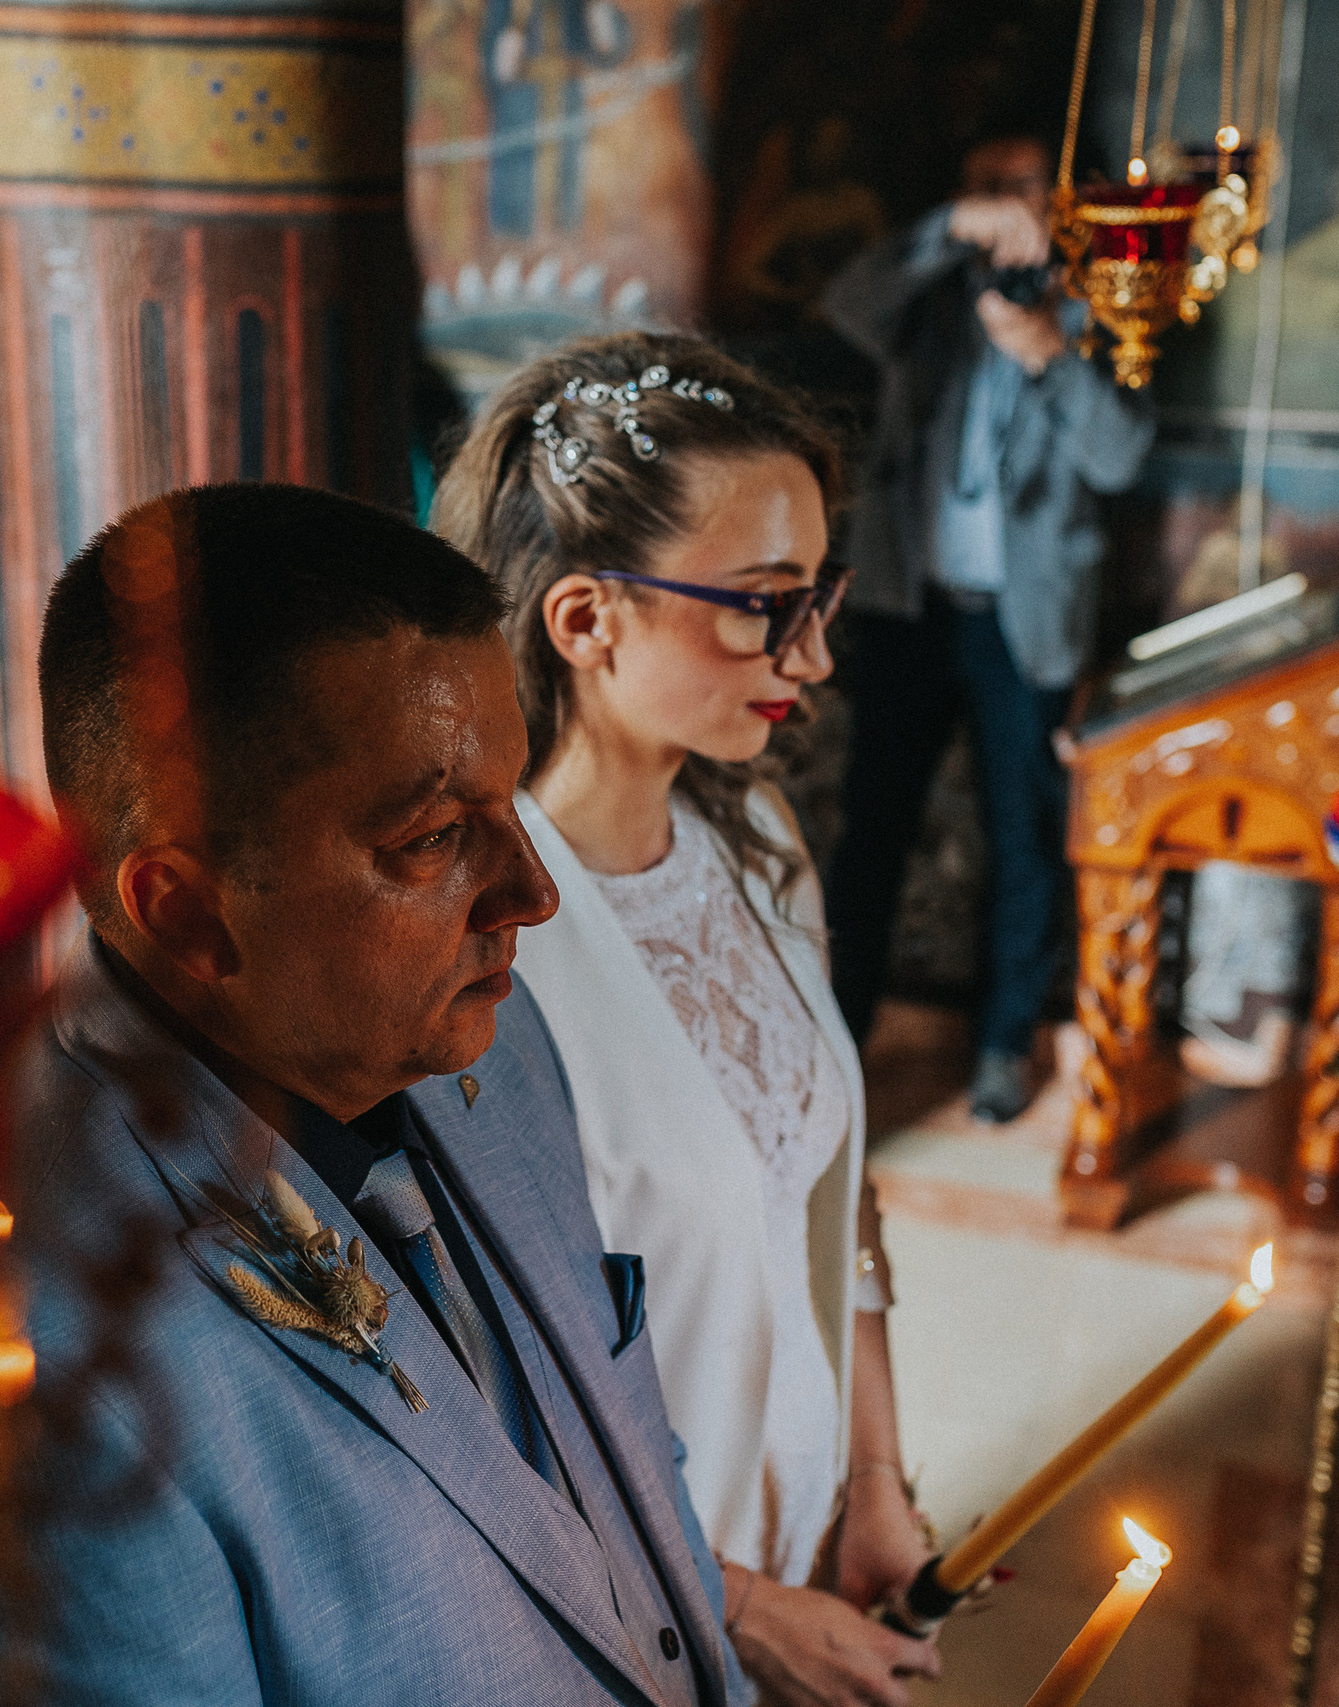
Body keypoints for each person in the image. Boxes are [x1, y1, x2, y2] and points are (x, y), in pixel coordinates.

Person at [0, 481, 748, 1705]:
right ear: (186, 910)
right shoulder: (63, 1373)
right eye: (432, 836)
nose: (529, 894)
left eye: (508, 802)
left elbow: (627, 1503)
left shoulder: (485, 1042)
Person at [435, 334, 940, 1707]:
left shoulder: (759, 835)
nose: (815, 653)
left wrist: (874, 1475)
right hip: (618, 1610)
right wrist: (737, 1603)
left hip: (808, 1532)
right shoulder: (487, 943)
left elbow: (825, 1184)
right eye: (766, 604)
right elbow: (481, 1408)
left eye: (821, 593)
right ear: (586, 620)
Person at [822, 128, 1153, 1122]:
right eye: (980, 188)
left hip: (1026, 622)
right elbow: (844, 305)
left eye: (1016, 186)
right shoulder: (927, 291)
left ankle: (1006, 1043)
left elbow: (1118, 460)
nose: (1000, 206)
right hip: (908, 609)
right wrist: (945, 229)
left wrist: (1049, 354)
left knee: (1026, 834)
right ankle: (836, 1040)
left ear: (1061, 199)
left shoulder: (1103, 307)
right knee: (870, 832)